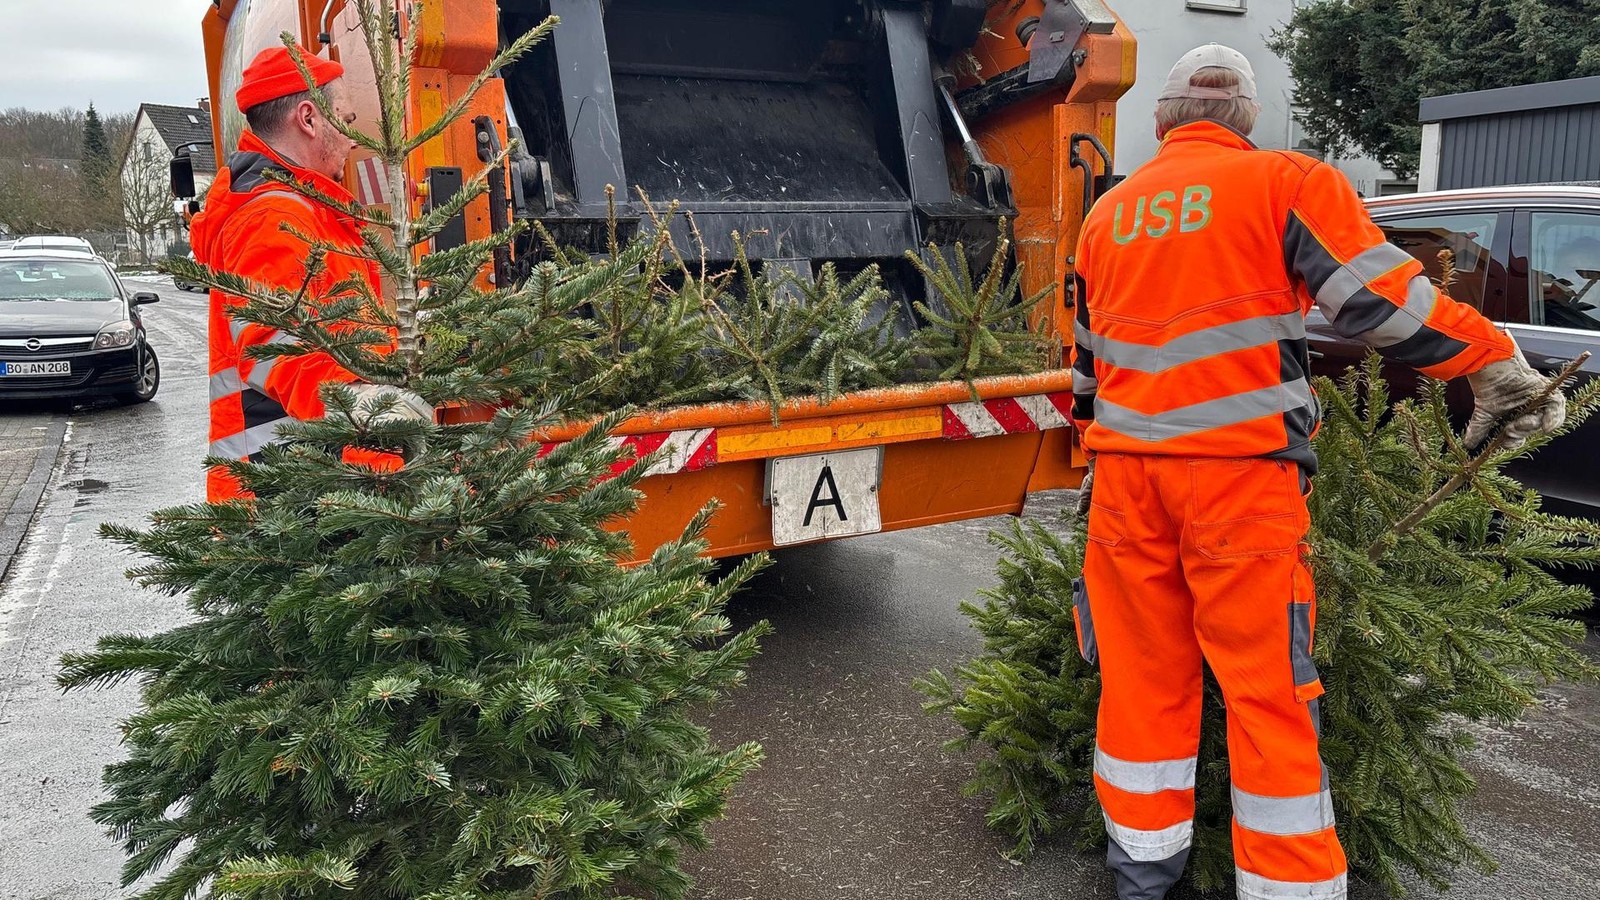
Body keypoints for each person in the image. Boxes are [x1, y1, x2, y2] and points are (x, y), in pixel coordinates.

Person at [1068, 45, 1565, 900]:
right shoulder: (1286, 181)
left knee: (1141, 679)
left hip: (1125, 481)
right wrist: (1492, 359)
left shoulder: (1109, 214)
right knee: (1268, 694)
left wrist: (1096, 452)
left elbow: (1087, 368)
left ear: (1162, 120)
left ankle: (1142, 876)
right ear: (1245, 120)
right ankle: (1287, 889)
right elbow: (1383, 304)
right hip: (1236, 481)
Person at [191, 45, 429, 502]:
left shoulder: (306, 208)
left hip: (319, 476)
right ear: (309, 118)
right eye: (346, 118)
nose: (353, 137)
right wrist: (367, 410)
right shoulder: (272, 216)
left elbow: (341, 327)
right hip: (285, 494)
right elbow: (273, 347)